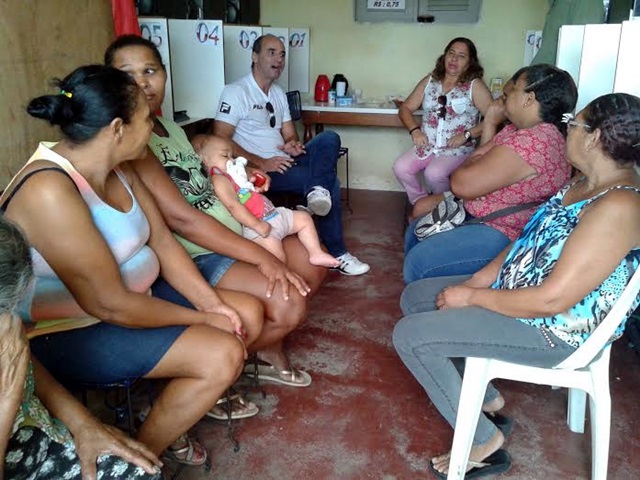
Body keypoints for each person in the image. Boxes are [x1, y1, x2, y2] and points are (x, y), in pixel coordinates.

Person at [0, 65, 265, 467]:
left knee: (242, 312)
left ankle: (158, 415)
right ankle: (140, 456)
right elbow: (109, 305)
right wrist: (204, 320)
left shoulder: (119, 166)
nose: (152, 126)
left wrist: (211, 305)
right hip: (69, 331)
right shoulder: (49, 190)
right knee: (223, 352)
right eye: (145, 118)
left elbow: (162, 240)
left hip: (133, 301)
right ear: (118, 128)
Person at [393, 92, 640, 478]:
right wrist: (479, 279)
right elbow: (525, 241)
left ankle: (481, 439)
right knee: (417, 296)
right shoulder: (586, 184)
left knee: (411, 336)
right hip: (519, 294)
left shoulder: (619, 205)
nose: (567, 131)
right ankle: (485, 399)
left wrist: (475, 297)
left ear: (593, 138)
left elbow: (552, 300)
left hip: (552, 330)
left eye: (573, 124)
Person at [105, 34, 322, 388]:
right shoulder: (131, 141)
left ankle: (258, 352)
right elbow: (181, 219)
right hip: (201, 250)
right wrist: (261, 256)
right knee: (289, 302)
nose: (142, 82)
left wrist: (241, 176)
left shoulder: (172, 129)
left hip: (233, 227)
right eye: (127, 73)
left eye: (150, 70)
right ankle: (220, 371)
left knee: (310, 263)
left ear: (164, 74)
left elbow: (206, 178)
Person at [0, 215, 163, 479]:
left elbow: (20, 362)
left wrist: (84, 425)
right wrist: (7, 398)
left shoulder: (5, 318)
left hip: (36, 432)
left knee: (143, 472)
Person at [403, 64, 578, 284]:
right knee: (417, 226)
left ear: (529, 98)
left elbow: (461, 183)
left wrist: (476, 159)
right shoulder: (517, 129)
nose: (500, 102)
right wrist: (490, 125)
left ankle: (431, 305)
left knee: (419, 263)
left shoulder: (536, 141)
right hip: (481, 209)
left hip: (503, 228)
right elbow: (476, 166)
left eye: (507, 95)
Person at [213, 34, 370, 276]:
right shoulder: (236, 92)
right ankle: (339, 254)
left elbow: (289, 134)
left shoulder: (277, 93)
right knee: (332, 182)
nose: (279, 59)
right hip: (260, 171)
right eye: (271, 52)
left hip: (286, 161)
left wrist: (292, 144)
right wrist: (262, 162)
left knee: (328, 138)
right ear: (255, 57)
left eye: (282, 54)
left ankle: (315, 192)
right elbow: (220, 138)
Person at [195, 135, 339, 268]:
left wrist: (252, 184)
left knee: (305, 219)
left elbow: (245, 194)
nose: (232, 160)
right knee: (277, 257)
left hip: (273, 214)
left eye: (232, 156)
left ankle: (315, 253)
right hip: (258, 226)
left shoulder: (234, 175)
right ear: (204, 161)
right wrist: (257, 225)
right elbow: (233, 206)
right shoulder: (219, 179)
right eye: (225, 156)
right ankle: (282, 279)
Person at [393, 37, 493, 216]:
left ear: (469, 62)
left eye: (461, 56)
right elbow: (405, 108)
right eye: (451, 53)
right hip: (428, 146)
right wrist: (414, 130)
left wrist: (468, 134)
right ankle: (423, 206)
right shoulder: (430, 81)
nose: (454, 59)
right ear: (444, 56)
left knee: (434, 173)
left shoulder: (474, 86)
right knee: (401, 167)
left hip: (457, 150)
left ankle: (450, 210)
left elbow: (493, 118)